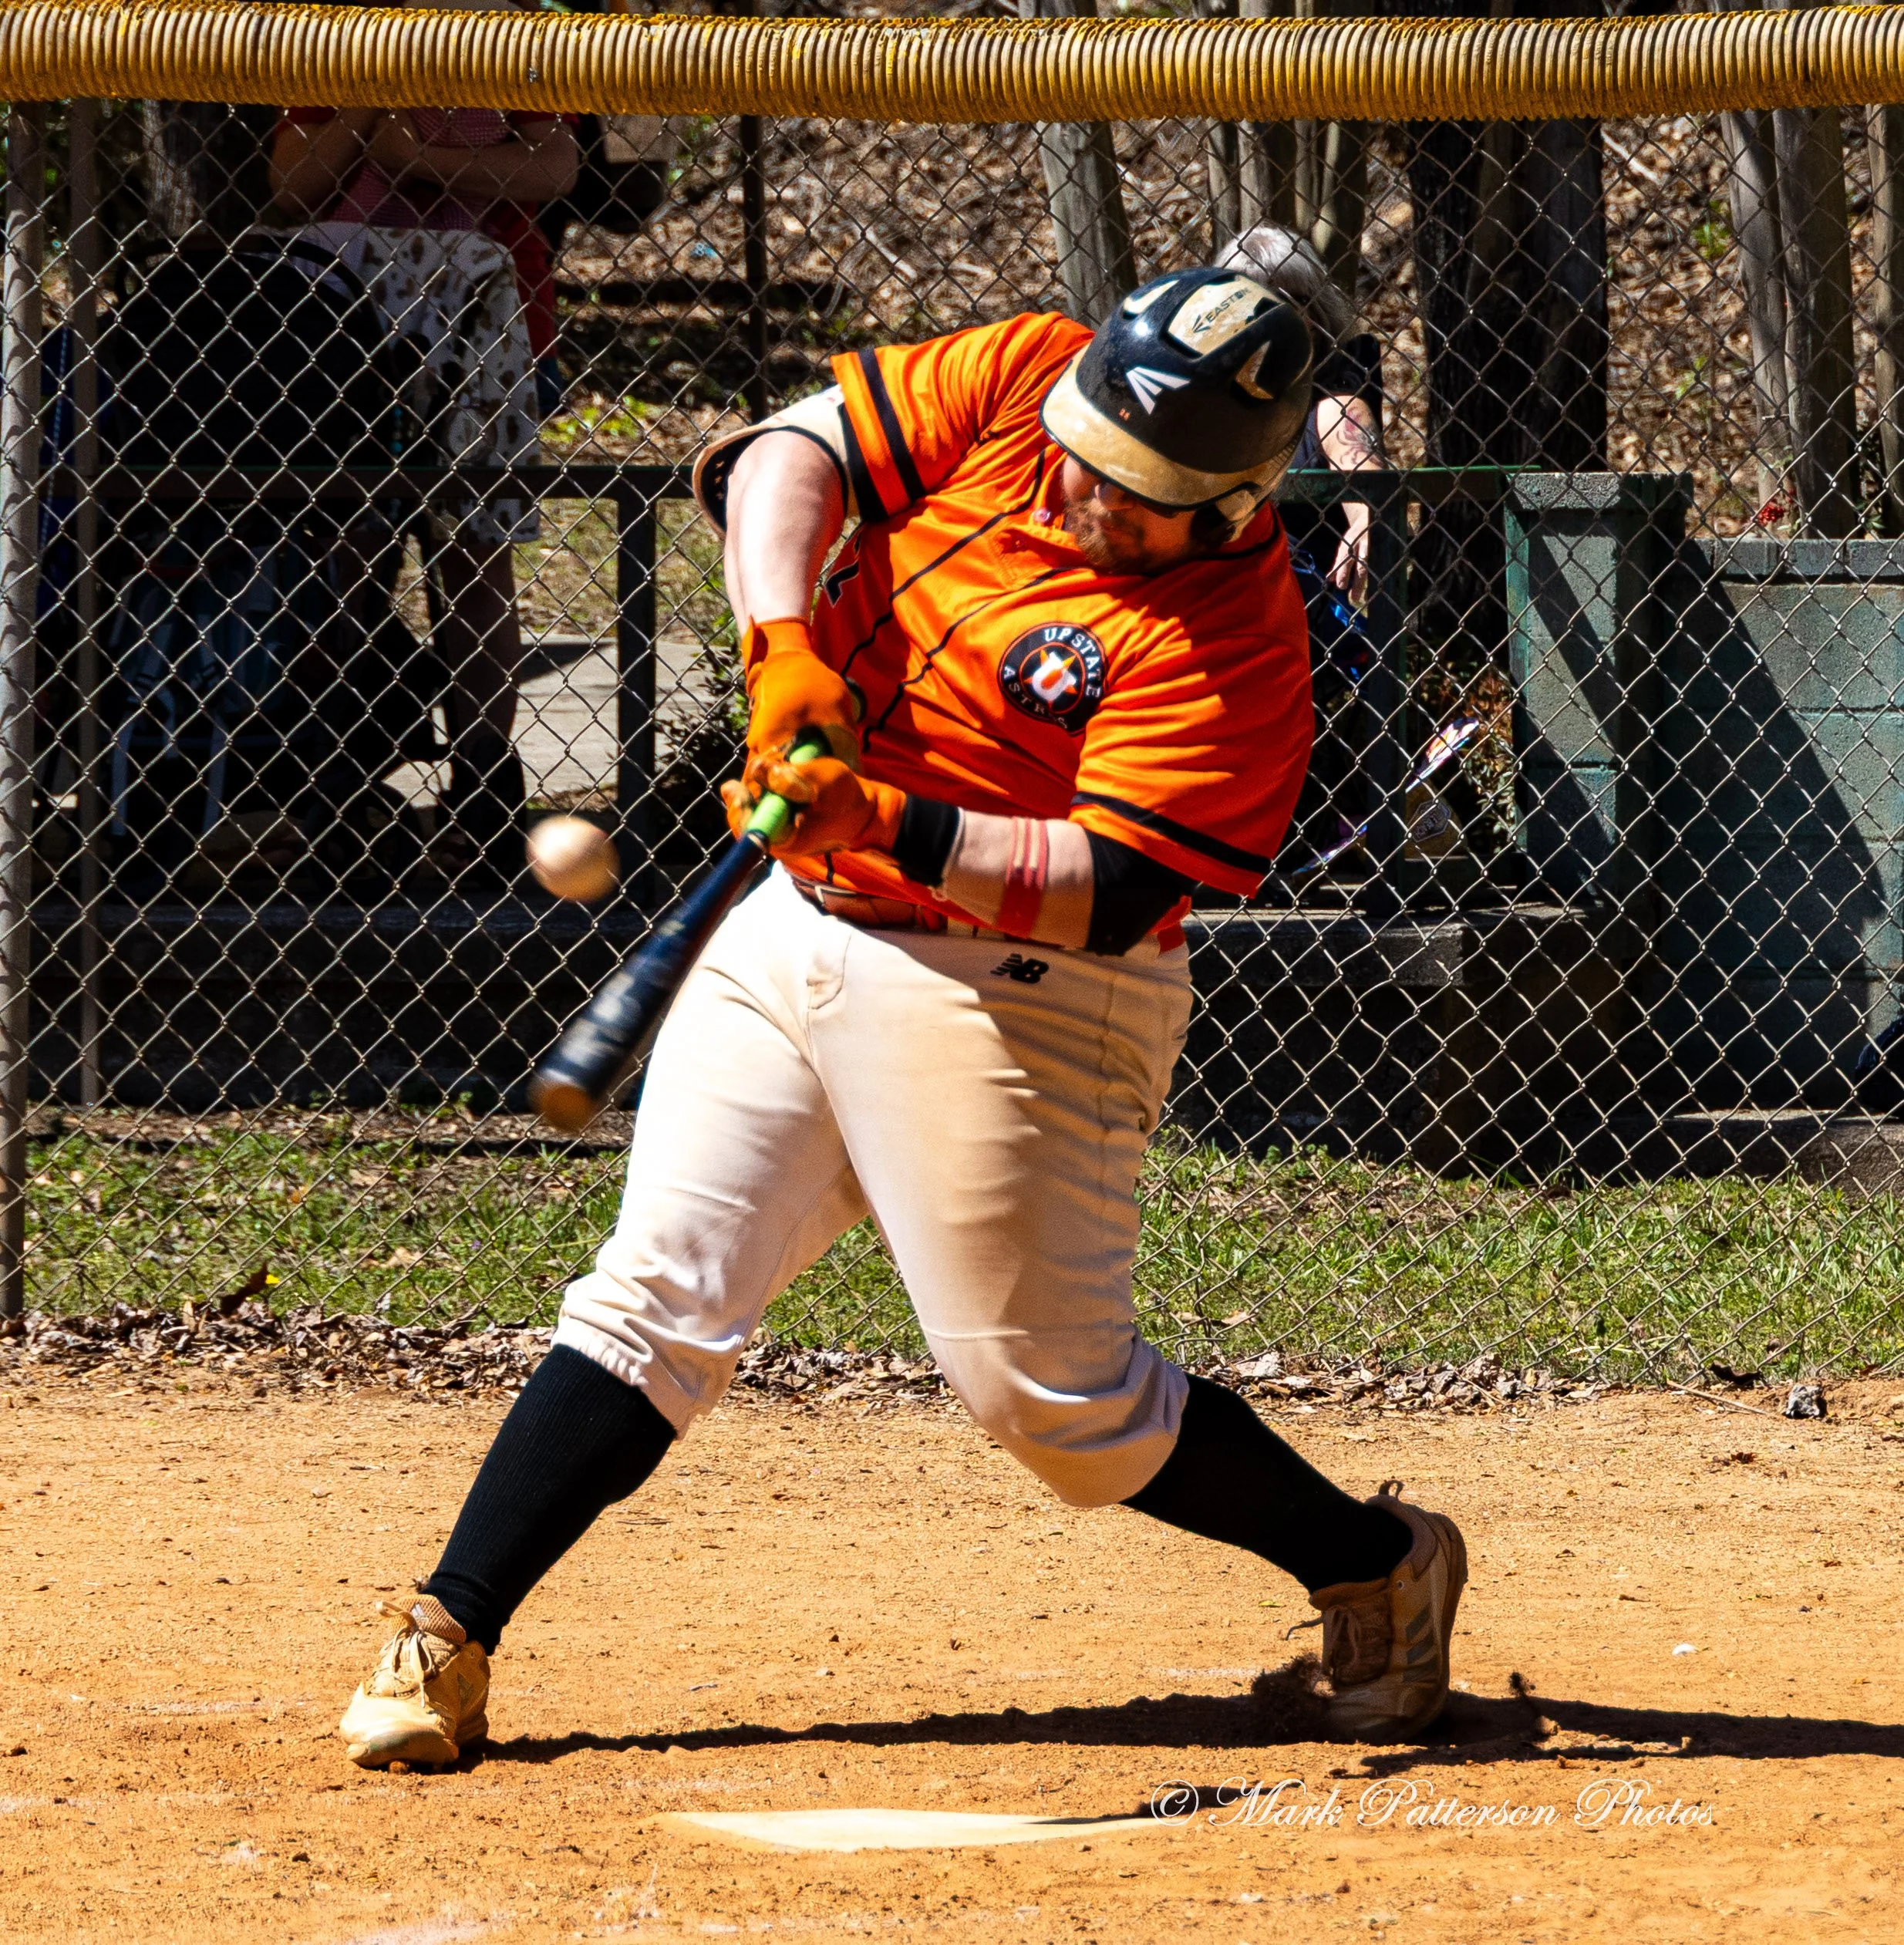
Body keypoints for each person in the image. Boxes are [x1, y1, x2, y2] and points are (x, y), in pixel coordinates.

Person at [335, 267, 1468, 1770]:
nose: (1077, 490)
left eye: (1128, 494)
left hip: (1029, 999)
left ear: (1231, 504)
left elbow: (1102, 889)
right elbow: (779, 459)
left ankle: (1374, 1559)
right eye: (1080, 449)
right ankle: (449, 1626)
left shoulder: (1237, 641)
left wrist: (887, 813)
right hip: (798, 923)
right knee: (658, 1291)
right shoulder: (1024, 379)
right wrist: (780, 648)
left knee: (1056, 1407)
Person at [268, 15, 578, 881]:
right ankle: (334, 787)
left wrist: (419, 159)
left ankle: (481, 787)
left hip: (493, 323)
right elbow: (296, 184)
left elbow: (552, 167)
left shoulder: (512, 40)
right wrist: (373, 103)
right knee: (349, 551)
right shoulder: (338, 42)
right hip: (348, 329)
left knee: (475, 557)